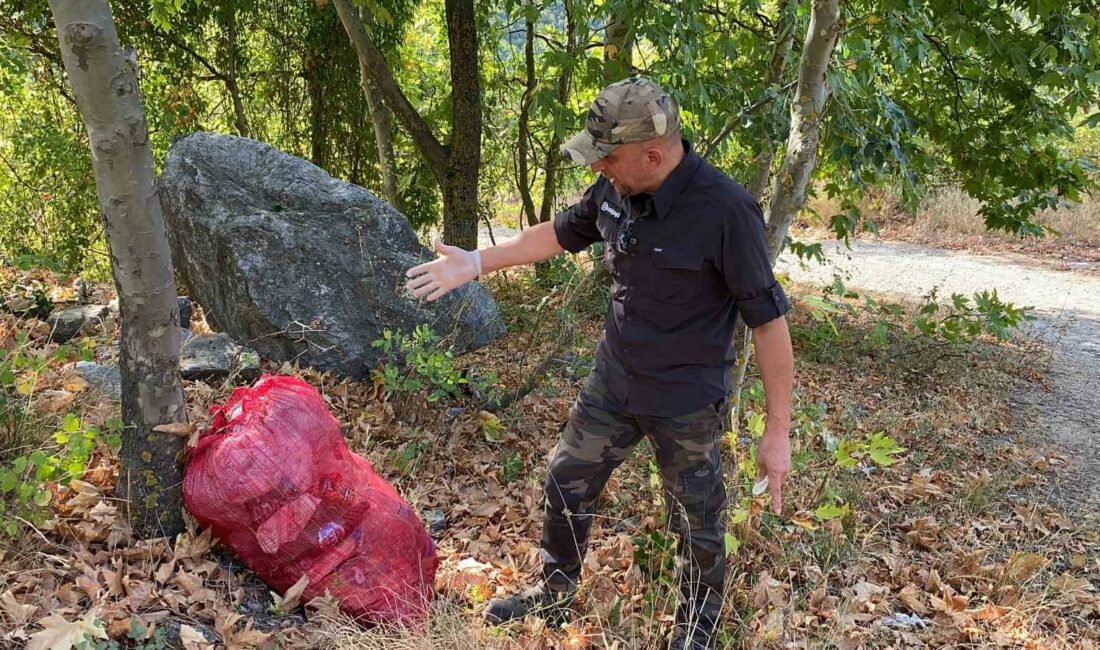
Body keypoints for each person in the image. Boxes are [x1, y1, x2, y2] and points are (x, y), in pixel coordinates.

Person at [405, 77, 794, 650]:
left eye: (607, 158)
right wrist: (477, 262)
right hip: (613, 383)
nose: (598, 169)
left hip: (686, 401)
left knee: (697, 519)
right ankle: (555, 592)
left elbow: (769, 323)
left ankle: (695, 632)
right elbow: (558, 234)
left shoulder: (727, 212)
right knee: (567, 479)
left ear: (653, 155)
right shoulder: (614, 191)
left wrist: (777, 433)